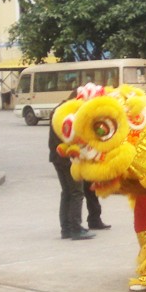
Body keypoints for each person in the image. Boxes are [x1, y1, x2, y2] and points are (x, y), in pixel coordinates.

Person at [49, 98, 94, 240]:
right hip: (69, 159)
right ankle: (76, 228)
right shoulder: (70, 117)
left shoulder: (58, 112)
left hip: (57, 158)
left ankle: (66, 228)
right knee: (76, 192)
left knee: (67, 192)